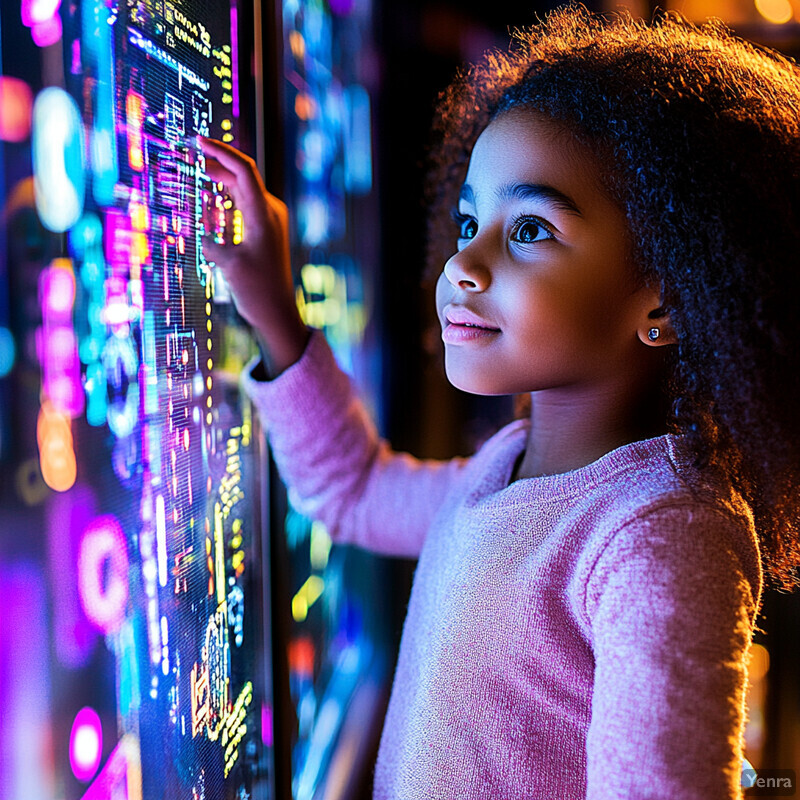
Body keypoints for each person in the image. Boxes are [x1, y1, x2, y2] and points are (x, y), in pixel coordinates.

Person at [198, 4, 800, 797]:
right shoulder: (503, 471)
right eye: (471, 220)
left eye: (531, 231)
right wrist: (276, 313)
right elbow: (354, 493)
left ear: (669, 300)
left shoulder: (662, 534)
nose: (465, 264)